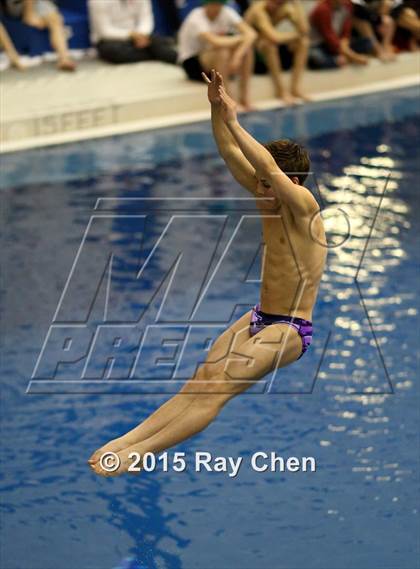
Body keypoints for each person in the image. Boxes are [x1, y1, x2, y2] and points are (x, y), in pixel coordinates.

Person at [89, 69, 327, 477]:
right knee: (201, 381)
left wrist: (236, 120)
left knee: (215, 392)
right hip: (259, 317)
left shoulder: (304, 207)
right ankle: (130, 440)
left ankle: (139, 453)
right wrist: (217, 109)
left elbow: (265, 167)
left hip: (289, 329)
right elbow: (230, 154)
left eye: (267, 182)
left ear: (289, 182)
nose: (258, 186)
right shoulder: (266, 196)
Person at [177, 0, 257, 110]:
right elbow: (215, 41)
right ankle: (227, 99)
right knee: (222, 51)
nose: (216, 7)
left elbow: (251, 34)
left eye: (219, 4)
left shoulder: (226, 12)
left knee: (247, 50)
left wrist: (238, 55)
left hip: (215, 63)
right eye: (213, 4)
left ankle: (245, 97)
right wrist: (241, 39)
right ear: (206, 4)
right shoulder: (196, 17)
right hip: (193, 64)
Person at [245, 0, 311, 104]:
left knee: (303, 43)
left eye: (280, 3)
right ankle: (281, 91)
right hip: (251, 51)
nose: (276, 6)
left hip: (269, 44)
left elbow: (304, 29)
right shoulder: (258, 11)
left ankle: (295, 88)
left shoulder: (284, 8)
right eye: (275, 2)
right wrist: (296, 35)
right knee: (269, 44)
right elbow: (273, 37)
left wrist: (296, 4)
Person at [88, 0, 177, 65]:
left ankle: (171, 56)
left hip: (139, 36)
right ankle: (158, 52)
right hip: (111, 40)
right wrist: (131, 35)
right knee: (116, 52)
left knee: (158, 40)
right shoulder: (97, 1)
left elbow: (146, 20)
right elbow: (105, 31)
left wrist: (141, 35)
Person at [3, 0, 75, 70]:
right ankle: (29, 15)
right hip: (16, 4)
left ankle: (64, 59)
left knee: (55, 19)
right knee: (49, 16)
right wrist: (29, 14)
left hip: (36, 2)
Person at [309, 0, 370, 69]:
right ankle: (338, 60)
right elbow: (329, 38)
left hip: (340, 44)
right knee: (315, 58)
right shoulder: (322, 9)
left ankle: (342, 58)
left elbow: (346, 33)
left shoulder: (347, 6)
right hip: (321, 45)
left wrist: (345, 47)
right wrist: (354, 57)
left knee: (367, 42)